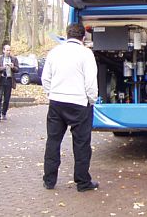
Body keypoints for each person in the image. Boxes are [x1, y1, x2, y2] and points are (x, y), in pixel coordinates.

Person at [42, 23, 99, 192]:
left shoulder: (54, 52)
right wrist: (91, 100)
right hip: (79, 103)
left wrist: (51, 94)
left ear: (67, 35)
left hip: (56, 102)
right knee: (81, 144)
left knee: (53, 141)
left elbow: (46, 78)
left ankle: (49, 180)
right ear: (83, 37)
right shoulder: (86, 54)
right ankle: (82, 182)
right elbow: (90, 82)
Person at [0, 45, 19, 121]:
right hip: (1, 79)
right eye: (7, 50)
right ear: (3, 50)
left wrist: (12, 67)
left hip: (9, 80)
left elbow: (17, 69)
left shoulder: (14, 59)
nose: (8, 52)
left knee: (6, 99)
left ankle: (4, 113)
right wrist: (3, 67)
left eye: (10, 50)